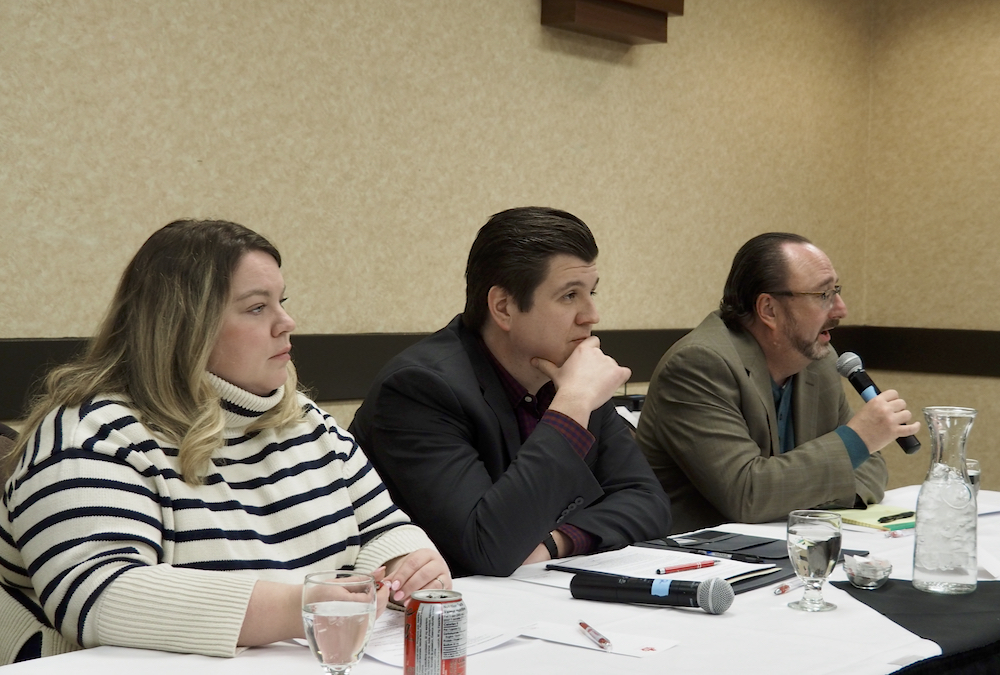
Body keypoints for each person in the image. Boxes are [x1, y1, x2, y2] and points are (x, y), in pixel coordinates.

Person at [0, 220, 450, 663]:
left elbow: (380, 530)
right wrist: (305, 606)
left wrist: (407, 565)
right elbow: (103, 595)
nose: (286, 322)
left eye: (282, 301)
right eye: (257, 308)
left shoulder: (307, 423)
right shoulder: (89, 435)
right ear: (184, 329)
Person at [349, 207, 672, 577]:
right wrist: (572, 405)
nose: (591, 314)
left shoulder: (570, 371)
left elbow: (649, 503)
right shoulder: (419, 390)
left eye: (591, 293)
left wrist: (556, 542)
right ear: (503, 307)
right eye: (569, 296)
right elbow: (486, 548)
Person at [637, 232, 918, 535]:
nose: (840, 309)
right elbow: (748, 494)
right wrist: (856, 441)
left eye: (836, 290)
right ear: (768, 309)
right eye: (823, 295)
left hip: (784, 547)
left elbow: (871, 469)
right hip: (699, 559)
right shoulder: (699, 364)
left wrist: (799, 489)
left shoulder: (819, 361)